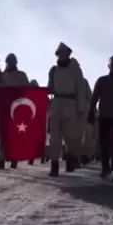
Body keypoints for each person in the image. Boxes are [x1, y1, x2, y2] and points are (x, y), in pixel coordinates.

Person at [47, 42, 86, 177]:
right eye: (60, 53)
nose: (62, 55)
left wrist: (80, 108)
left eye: (64, 53)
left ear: (68, 54)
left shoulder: (75, 69)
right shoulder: (54, 70)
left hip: (71, 105)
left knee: (71, 137)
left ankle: (71, 159)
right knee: (54, 138)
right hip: (56, 104)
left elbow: (80, 89)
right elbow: (50, 89)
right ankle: (54, 166)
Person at [0, 53, 30, 170]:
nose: (10, 63)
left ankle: (14, 158)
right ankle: (1, 159)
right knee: (3, 136)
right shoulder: (1, 75)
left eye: (12, 61)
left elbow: (28, 91)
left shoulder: (21, 76)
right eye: (8, 61)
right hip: (4, 107)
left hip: (17, 108)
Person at [79, 78, 93, 165]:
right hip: (83, 111)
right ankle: (81, 157)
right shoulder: (83, 81)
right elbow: (90, 96)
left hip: (69, 110)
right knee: (83, 135)